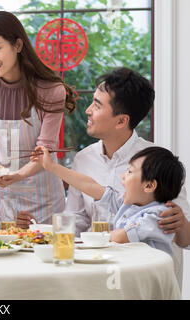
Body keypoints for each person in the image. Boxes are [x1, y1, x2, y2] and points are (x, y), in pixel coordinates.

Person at [33, 67, 190, 283]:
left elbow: (185, 238)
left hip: (147, 283)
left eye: (97, 105)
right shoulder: (84, 159)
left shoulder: (158, 165)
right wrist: (39, 234)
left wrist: (181, 223)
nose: (87, 110)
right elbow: (81, 215)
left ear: (121, 121)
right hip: (99, 276)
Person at [0, 11, 77, 230]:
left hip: (44, 198)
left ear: (18, 45)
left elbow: (45, 151)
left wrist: (17, 175)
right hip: (3, 198)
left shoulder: (50, 91)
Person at [34, 146, 185, 256]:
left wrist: (86, 239)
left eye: (130, 172)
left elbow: (120, 236)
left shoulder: (157, 215)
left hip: (146, 281)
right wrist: (51, 166)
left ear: (149, 185)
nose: (123, 176)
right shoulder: (128, 204)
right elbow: (90, 186)